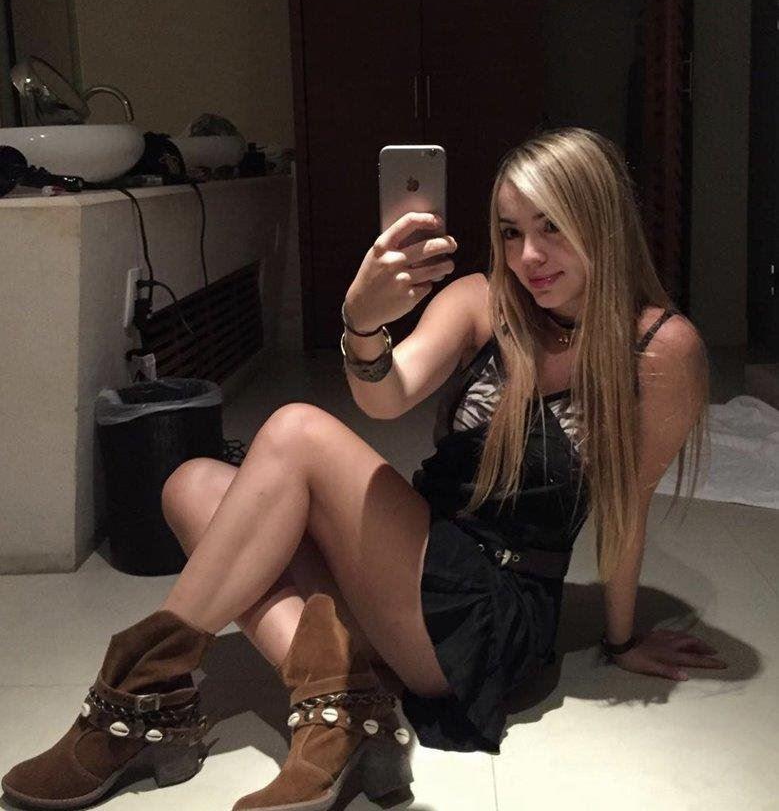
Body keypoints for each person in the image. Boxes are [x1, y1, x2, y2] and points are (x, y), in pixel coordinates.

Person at [2, 127, 728, 811]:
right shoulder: (483, 301)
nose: (529, 256)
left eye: (553, 227)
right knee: (190, 485)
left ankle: (132, 703)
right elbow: (386, 397)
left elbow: (627, 509)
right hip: (412, 569)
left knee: (296, 431)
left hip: (489, 611)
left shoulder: (661, 350)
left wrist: (623, 640)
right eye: (511, 232)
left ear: (603, 222)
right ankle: (344, 708)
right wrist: (363, 323)